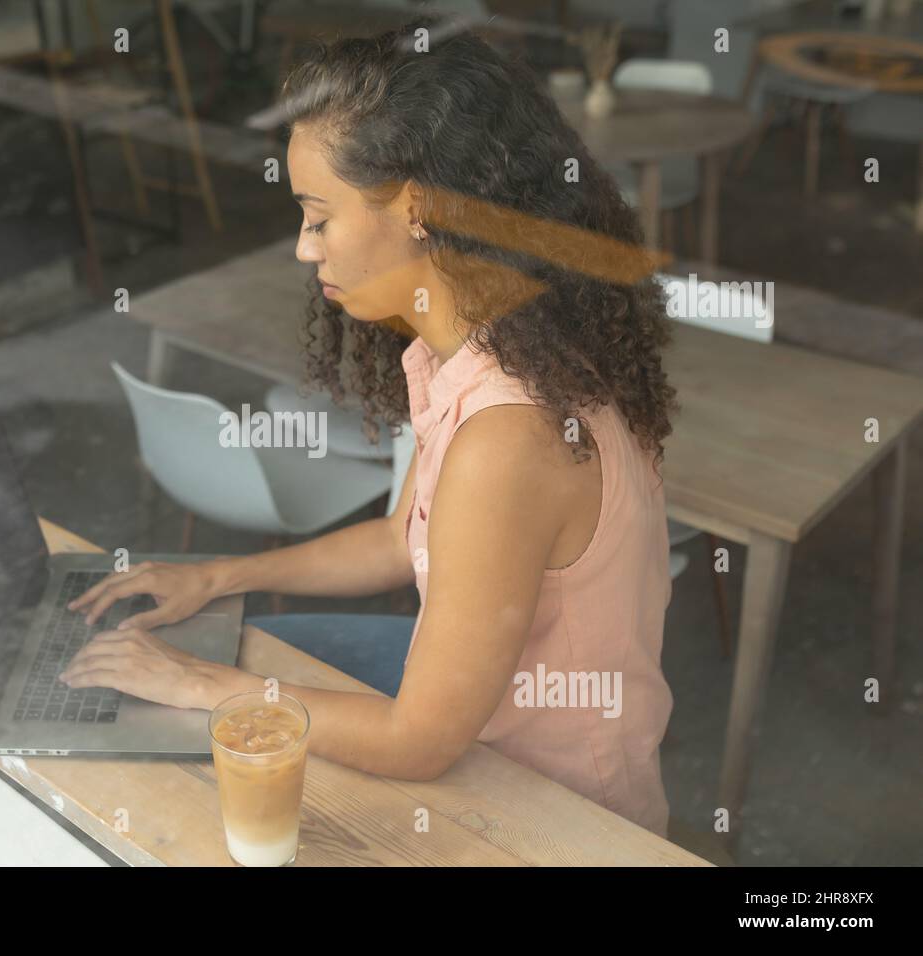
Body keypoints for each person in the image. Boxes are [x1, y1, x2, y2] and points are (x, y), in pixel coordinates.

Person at [61, 18, 680, 837]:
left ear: (417, 208)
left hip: (555, 809)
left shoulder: (509, 438)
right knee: (228, 665)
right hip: (482, 727)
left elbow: (420, 740)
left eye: (318, 218)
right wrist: (214, 578)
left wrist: (195, 683)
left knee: (191, 765)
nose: (301, 247)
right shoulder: (496, 341)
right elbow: (401, 543)